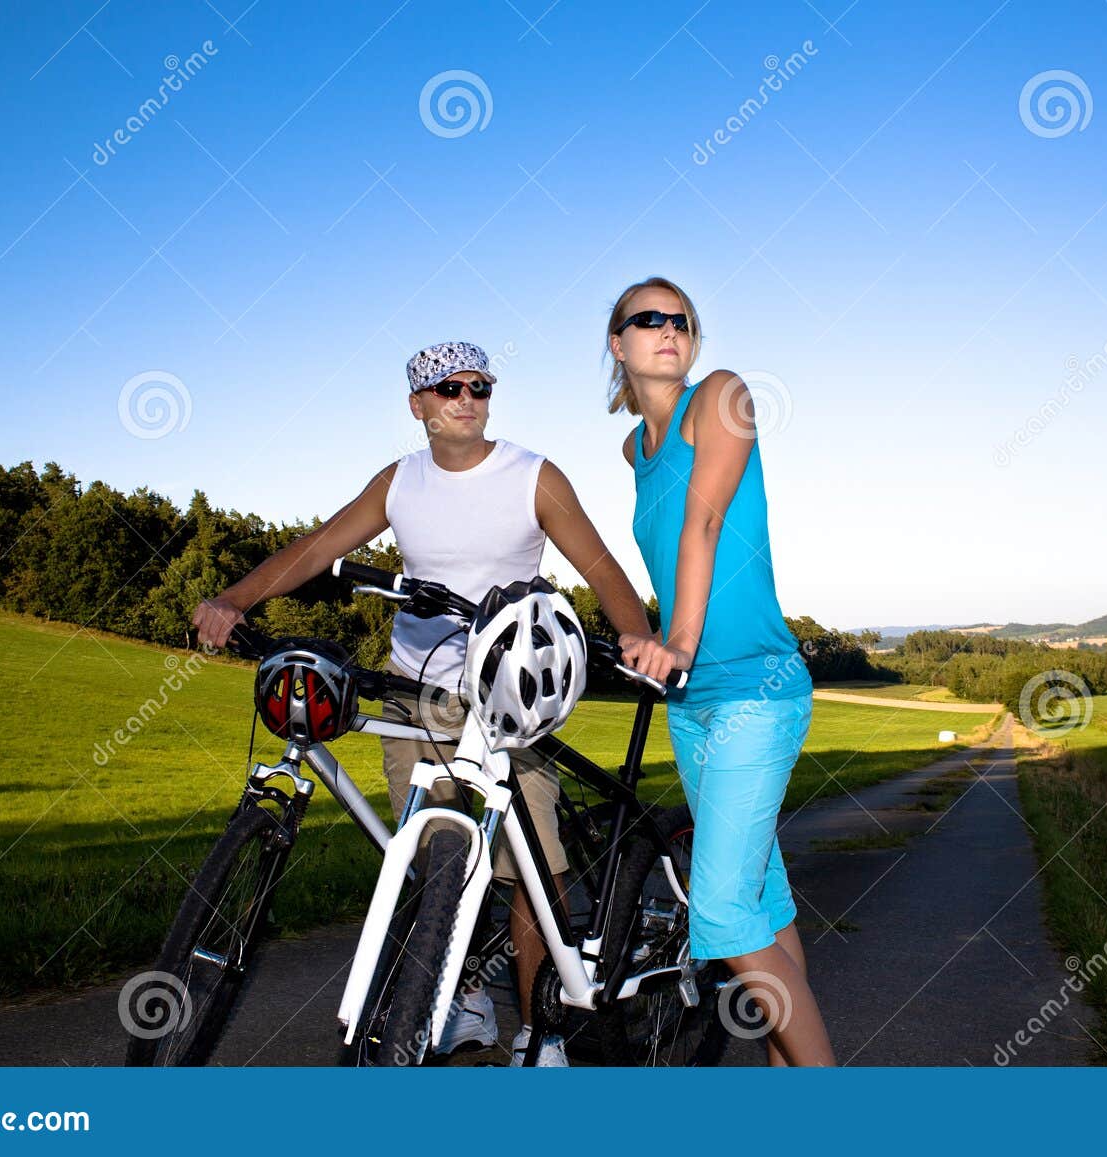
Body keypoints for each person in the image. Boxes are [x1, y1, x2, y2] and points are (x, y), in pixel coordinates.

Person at [192, 340, 656, 1067]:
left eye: (479, 386)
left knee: (530, 863)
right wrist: (234, 597)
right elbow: (316, 550)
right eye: (449, 389)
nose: (467, 399)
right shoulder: (399, 481)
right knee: (429, 859)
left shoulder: (533, 476)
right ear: (419, 405)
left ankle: (541, 1032)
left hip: (507, 695)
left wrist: (639, 640)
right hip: (416, 691)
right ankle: (462, 998)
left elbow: (600, 568)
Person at [607, 277, 836, 1066]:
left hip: (755, 688)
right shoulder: (632, 450)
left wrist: (679, 639)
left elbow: (703, 520)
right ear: (618, 343)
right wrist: (651, 645)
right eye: (649, 319)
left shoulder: (724, 395)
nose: (668, 329)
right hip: (692, 704)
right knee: (761, 907)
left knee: (723, 915)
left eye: (682, 320)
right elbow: (667, 554)